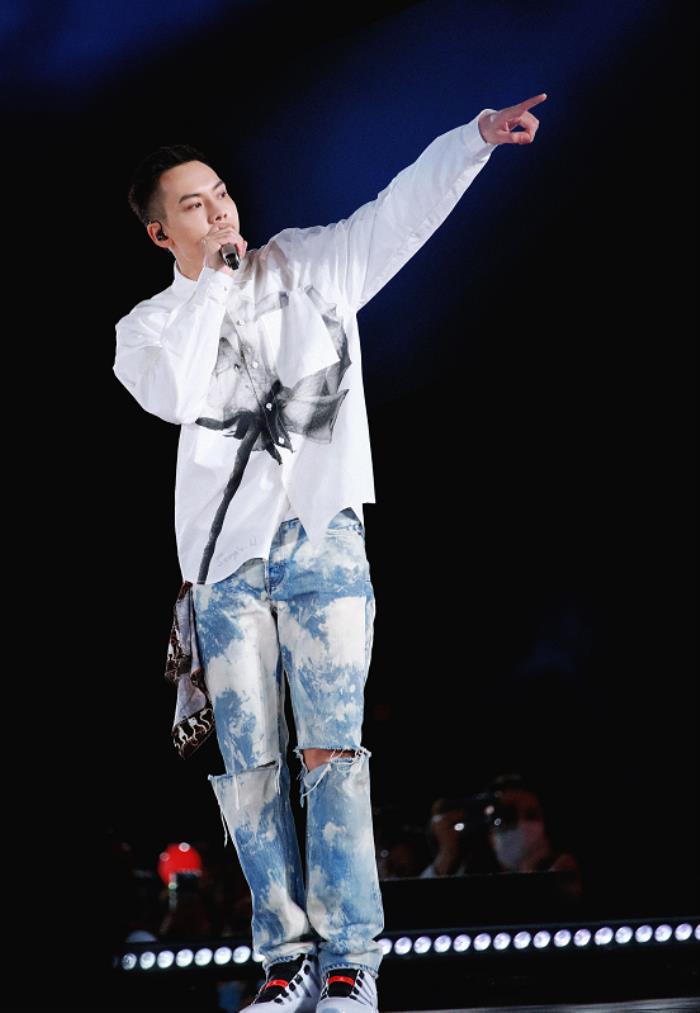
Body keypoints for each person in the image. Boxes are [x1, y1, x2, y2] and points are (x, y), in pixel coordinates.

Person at [113, 93, 546, 1013]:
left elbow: (398, 215)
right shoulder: (145, 331)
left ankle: (352, 959)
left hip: (323, 538)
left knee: (331, 752)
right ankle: (285, 958)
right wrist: (214, 283)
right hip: (224, 566)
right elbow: (178, 393)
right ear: (160, 233)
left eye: (220, 193)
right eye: (193, 205)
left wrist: (469, 140)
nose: (218, 211)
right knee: (251, 769)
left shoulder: (309, 265)